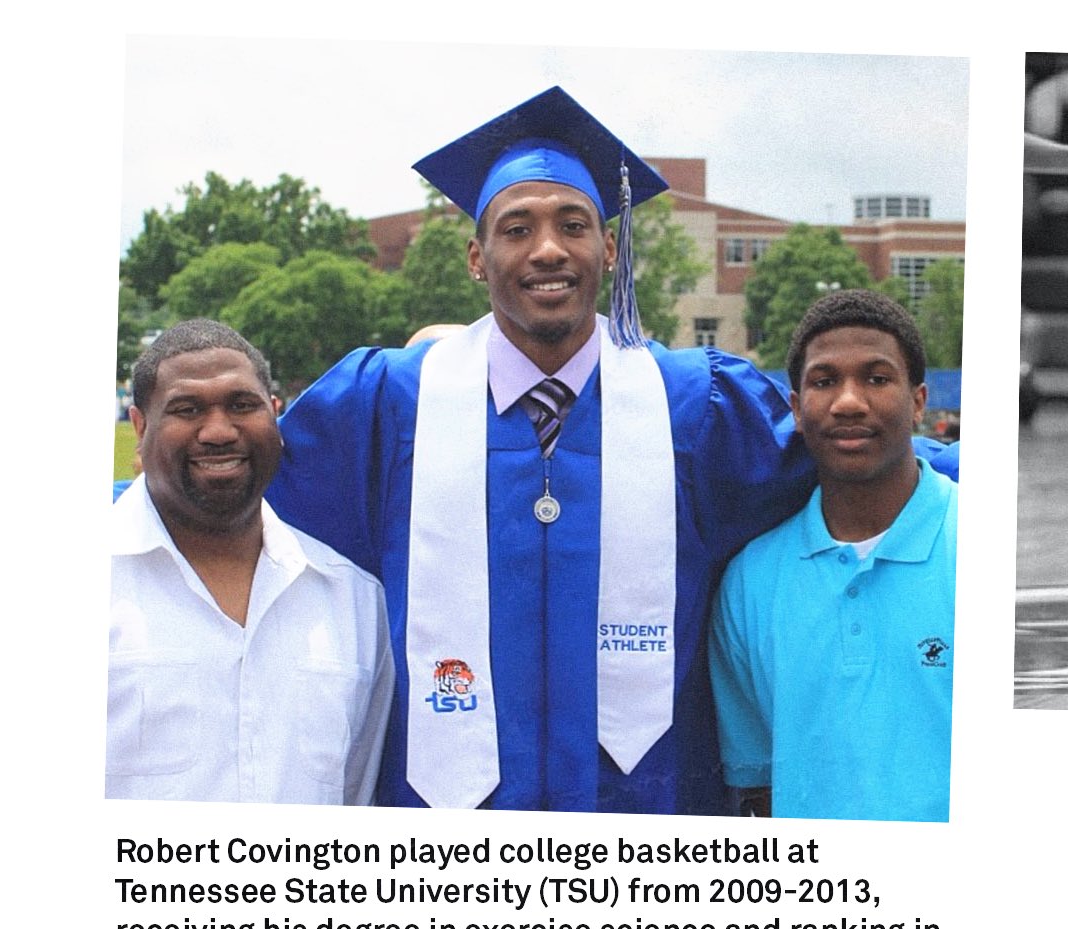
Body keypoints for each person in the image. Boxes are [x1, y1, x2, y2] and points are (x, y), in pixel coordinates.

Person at [267, 87, 953, 814]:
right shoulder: (387, 405)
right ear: (476, 257)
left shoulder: (697, 407)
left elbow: (844, 451)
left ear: (610, 249)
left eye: (573, 225)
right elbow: (243, 486)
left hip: (652, 820)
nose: (548, 249)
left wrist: (971, 471)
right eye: (516, 229)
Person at [108, 319, 394, 803]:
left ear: (275, 414)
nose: (219, 431)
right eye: (187, 409)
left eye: (242, 405)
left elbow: (357, 795)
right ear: (140, 427)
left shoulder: (355, 603)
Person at [709, 290, 956, 822]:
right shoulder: (750, 581)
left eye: (877, 378)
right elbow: (759, 788)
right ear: (797, 409)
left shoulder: (976, 540)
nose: (848, 402)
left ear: (918, 402)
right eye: (824, 382)